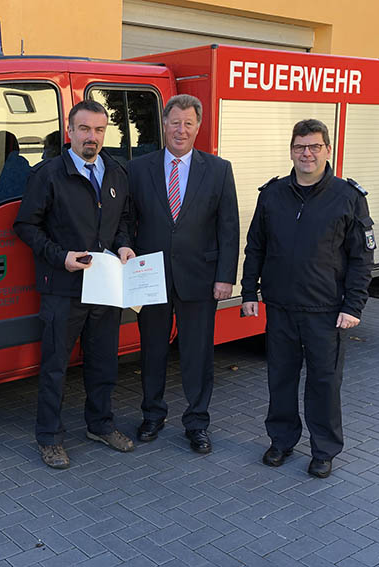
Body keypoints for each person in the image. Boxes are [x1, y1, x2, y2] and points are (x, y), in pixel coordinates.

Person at [241, 118, 374, 479]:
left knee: (324, 383)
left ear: (327, 150)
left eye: (315, 146)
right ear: (291, 151)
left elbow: (362, 258)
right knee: (280, 379)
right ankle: (281, 441)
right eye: (300, 146)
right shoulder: (272, 195)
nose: (307, 153)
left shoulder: (348, 198)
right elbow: (256, 246)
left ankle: (324, 450)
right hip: (281, 308)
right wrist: (248, 291)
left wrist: (353, 306)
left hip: (326, 311)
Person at [14, 100, 135, 469]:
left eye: (99, 130)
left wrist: (124, 245)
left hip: (106, 288)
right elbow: (25, 226)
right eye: (84, 129)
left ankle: (100, 425)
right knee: (55, 367)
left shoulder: (115, 172)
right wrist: (60, 256)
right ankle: (49, 438)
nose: (92, 137)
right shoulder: (49, 174)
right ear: (70, 132)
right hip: (63, 287)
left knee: (103, 362)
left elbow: (122, 221)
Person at [126, 94, 239, 451]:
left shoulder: (219, 170)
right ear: (164, 124)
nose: (181, 130)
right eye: (175, 122)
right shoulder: (138, 168)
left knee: (198, 354)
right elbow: (128, 220)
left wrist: (225, 276)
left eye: (188, 123)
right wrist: (125, 249)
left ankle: (197, 423)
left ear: (198, 126)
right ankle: (152, 415)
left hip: (200, 278)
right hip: (150, 277)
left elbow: (229, 227)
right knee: (153, 351)